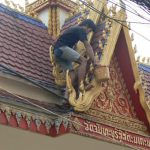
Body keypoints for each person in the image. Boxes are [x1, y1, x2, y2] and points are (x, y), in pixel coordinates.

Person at [54, 19, 97, 92]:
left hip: (57, 52)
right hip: (62, 48)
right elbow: (87, 46)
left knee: (72, 73)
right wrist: (94, 61)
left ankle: (67, 95)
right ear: (86, 26)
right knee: (83, 61)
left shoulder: (74, 29)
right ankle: (81, 86)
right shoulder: (81, 30)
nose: (87, 33)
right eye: (89, 31)